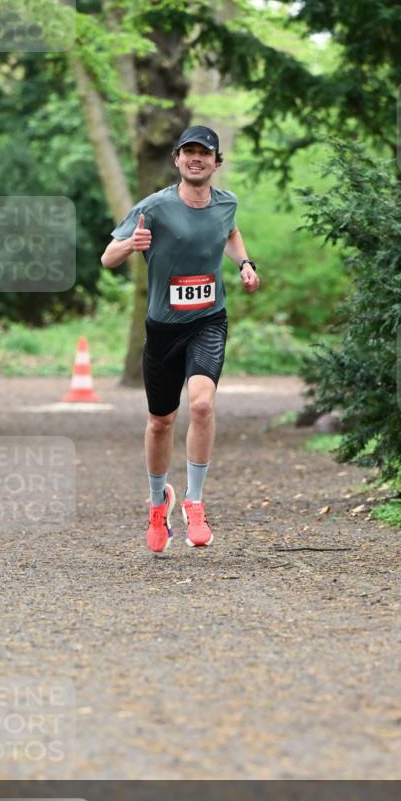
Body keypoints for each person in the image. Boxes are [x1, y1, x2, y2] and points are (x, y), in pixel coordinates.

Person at [100, 125, 259, 552]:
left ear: (216, 163)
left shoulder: (226, 202)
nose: (196, 159)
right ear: (177, 159)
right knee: (161, 421)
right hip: (164, 328)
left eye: (204, 153)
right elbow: (107, 257)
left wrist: (244, 262)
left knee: (203, 404)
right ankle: (158, 504)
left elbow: (229, 232)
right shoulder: (154, 207)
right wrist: (132, 244)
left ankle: (195, 500)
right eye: (188, 152)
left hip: (208, 320)